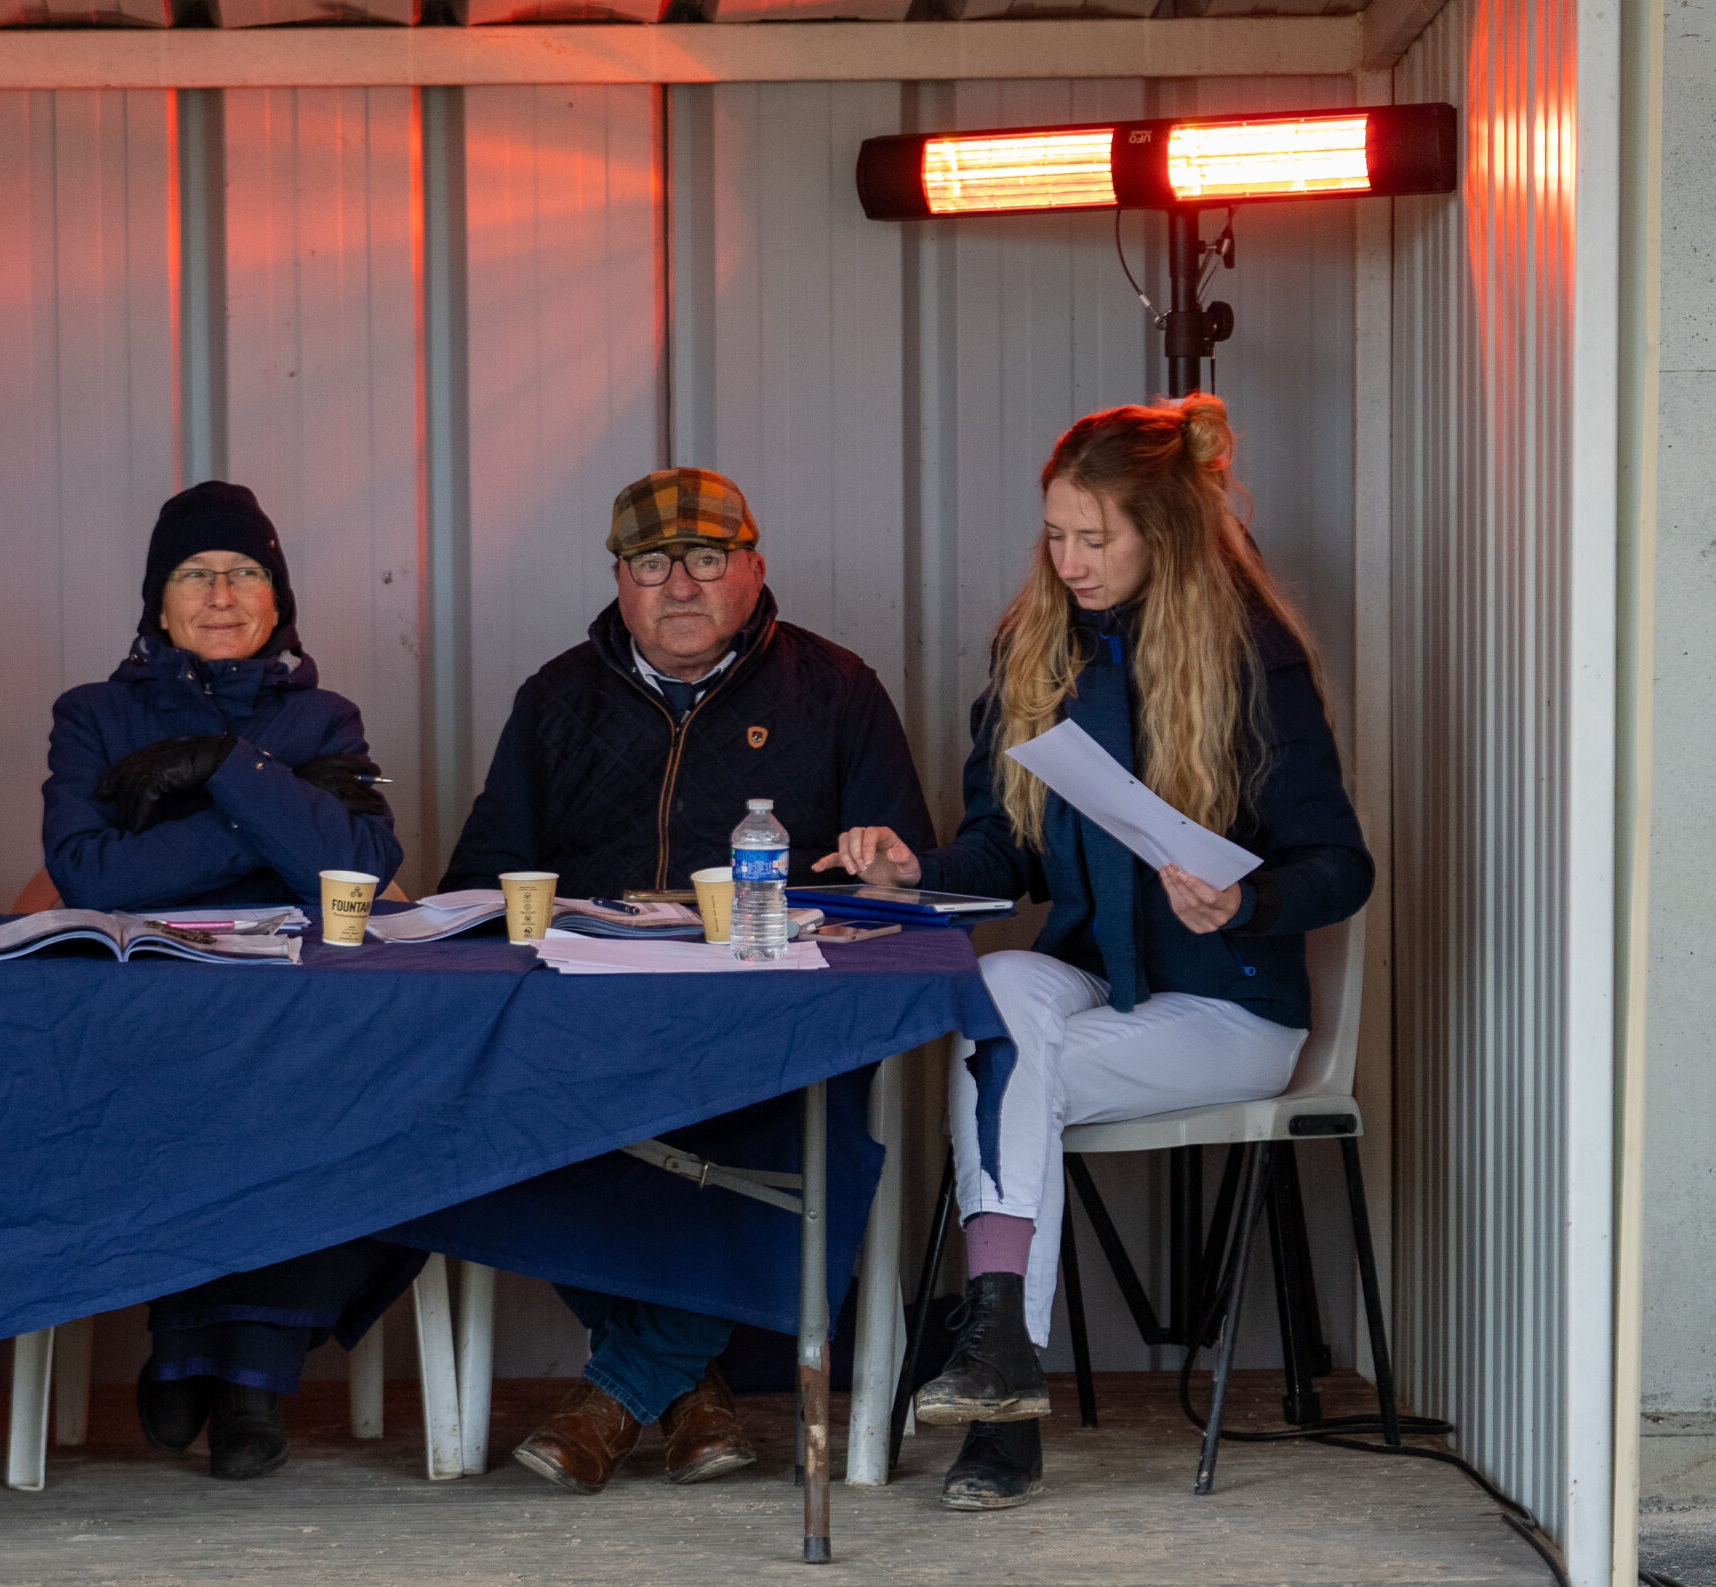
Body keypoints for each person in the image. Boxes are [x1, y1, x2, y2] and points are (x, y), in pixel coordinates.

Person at [820, 395, 1372, 1511]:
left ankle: (996, 1378)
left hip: (1230, 1009)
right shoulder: (1036, 649)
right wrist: (914, 870)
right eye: (1054, 536)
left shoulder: (1250, 659)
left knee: (1006, 1065)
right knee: (997, 986)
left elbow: (1340, 865)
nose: (1067, 562)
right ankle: (1002, 1364)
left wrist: (1248, 898)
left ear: (1162, 535)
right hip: (1097, 981)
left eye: (1094, 538)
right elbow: (1004, 850)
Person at [441, 466, 934, 1493]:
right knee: (495, 1109)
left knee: (800, 1116)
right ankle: (690, 1388)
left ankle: (621, 1391)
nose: (678, 586)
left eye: (706, 559)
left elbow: (898, 883)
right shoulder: (557, 699)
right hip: (592, 1015)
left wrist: (880, 874)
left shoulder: (836, 690)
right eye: (651, 563)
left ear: (753, 567)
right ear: (618, 580)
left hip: (771, 1019)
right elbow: (480, 883)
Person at [41, 479, 417, 1481]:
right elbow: (90, 876)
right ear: (157, 604)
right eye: (194, 574)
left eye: (244, 572)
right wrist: (265, 804)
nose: (220, 593)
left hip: (304, 1016)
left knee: (376, 1104)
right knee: (206, 1099)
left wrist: (217, 767)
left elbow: (360, 868)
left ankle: (227, 1363)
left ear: (276, 598)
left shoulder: (325, 716)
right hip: (144, 1015)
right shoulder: (93, 716)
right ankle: (223, 1362)